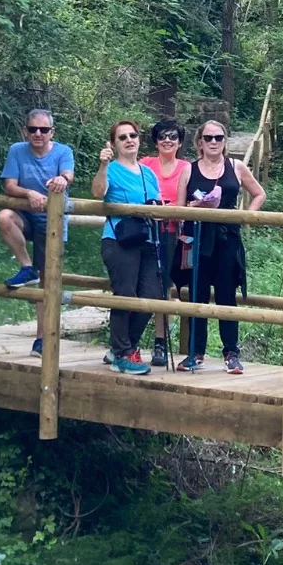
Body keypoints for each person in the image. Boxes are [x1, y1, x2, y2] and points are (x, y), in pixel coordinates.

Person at [182, 118, 267, 374]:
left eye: (218, 138)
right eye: (208, 138)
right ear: (200, 142)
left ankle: (231, 352)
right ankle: (195, 352)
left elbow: (259, 193)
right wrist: (195, 207)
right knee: (197, 293)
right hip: (198, 237)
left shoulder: (236, 166)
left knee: (226, 295)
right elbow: (179, 206)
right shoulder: (190, 169)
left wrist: (247, 217)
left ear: (225, 141)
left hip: (227, 238)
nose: (214, 142)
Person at [93, 120, 161, 375]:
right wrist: (102, 165)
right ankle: (123, 353)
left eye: (133, 135)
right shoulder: (110, 169)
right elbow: (98, 192)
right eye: (122, 137)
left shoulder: (148, 173)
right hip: (119, 240)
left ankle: (122, 347)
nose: (129, 140)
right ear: (114, 143)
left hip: (147, 239)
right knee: (126, 295)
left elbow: (158, 204)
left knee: (152, 296)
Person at [0, 108, 75, 289]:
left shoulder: (63, 152)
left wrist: (62, 179)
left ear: (52, 132)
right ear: (26, 131)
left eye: (44, 130)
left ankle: (44, 318)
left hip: (52, 221)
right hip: (25, 216)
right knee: (4, 217)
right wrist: (29, 193)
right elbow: (9, 185)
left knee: (47, 285)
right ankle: (27, 267)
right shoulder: (16, 150)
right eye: (33, 129)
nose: (38, 133)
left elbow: (68, 174)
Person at [146, 119, 192, 367]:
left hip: (177, 234)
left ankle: (188, 345)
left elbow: (191, 199)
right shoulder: (145, 164)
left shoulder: (186, 167)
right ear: (155, 141)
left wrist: (172, 209)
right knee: (155, 286)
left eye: (173, 137)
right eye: (162, 136)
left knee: (179, 287)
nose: (167, 140)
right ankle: (159, 342)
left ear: (180, 142)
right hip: (149, 231)